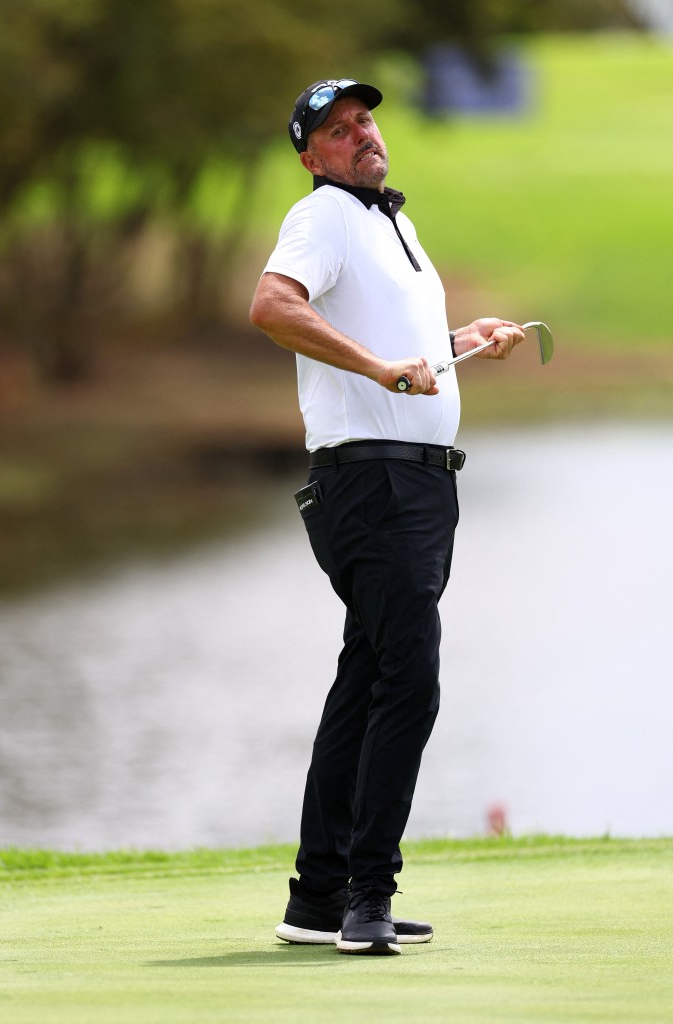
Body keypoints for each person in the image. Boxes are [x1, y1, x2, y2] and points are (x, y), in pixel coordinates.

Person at [249, 78, 524, 956]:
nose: (362, 134)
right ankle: (368, 896)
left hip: (415, 485)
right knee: (411, 678)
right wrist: (376, 370)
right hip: (371, 486)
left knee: (367, 679)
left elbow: (396, 357)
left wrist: (456, 346)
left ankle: (318, 896)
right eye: (338, 129)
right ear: (310, 156)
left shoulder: (387, 222)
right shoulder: (323, 215)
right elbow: (272, 306)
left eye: (366, 120)